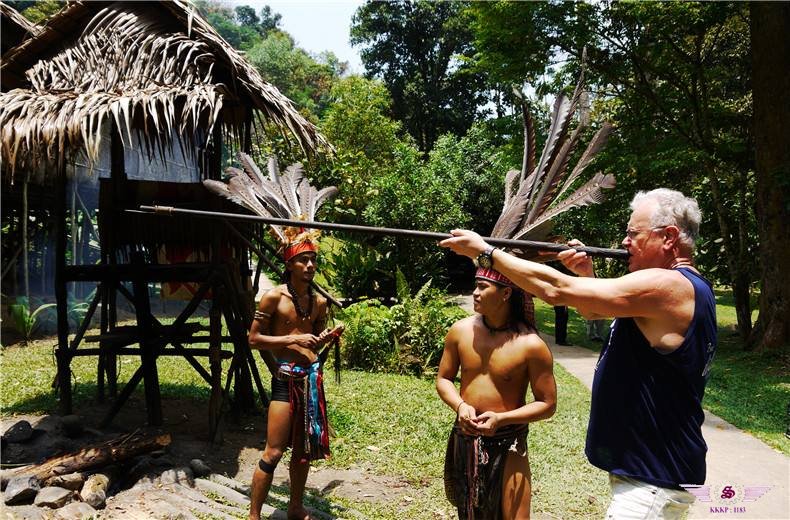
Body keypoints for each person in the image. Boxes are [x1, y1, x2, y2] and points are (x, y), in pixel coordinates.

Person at [440, 188, 717, 519]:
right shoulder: (678, 289)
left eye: (633, 234)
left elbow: (556, 290)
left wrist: (486, 253)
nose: (625, 243)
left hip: (653, 482)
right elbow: (595, 311)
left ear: (669, 237)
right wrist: (586, 276)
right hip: (652, 476)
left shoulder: (669, 285)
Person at [436, 266, 557, 520]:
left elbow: (547, 404)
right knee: (470, 514)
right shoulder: (460, 331)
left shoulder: (531, 345)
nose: (474, 293)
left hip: (509, 442)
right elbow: (444, 379)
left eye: (483, 287)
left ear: (505, 294)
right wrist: (460, 406)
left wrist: (501, 419)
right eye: (475, 286)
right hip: (466, 439)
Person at [247, 227, 341, 520]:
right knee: (273, 452)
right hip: (285, 383)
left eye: (313, 259)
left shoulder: (319, 302)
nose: (310, 265)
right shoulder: (273, 298)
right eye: (303, 260)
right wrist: (291, 340)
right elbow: (253, 340)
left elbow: (312, 340)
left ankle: (295, 507)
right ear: (289, 265)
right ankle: (253, 515)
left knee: (302, 452)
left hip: (311, 382)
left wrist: (326, 338)